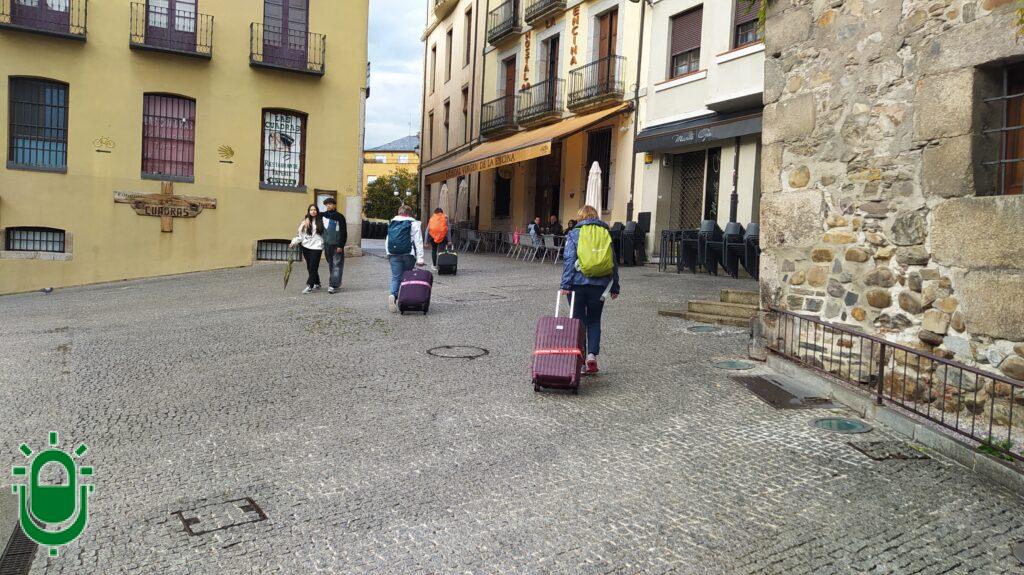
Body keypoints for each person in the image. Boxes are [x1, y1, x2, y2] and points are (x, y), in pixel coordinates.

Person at [560, 205, 620, 375]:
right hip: (600, 286)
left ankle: (580, 360)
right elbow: (613, 261)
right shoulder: (605, 232)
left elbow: (569, 259)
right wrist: (615, 286)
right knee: (594, 320)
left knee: (578, 322)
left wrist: (565, 284)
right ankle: (592, 356)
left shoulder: (574, 233)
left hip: (577, 284)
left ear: (580, 217)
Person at [386, 204, 425, 313]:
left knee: (396, 277)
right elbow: (418, 241)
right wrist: (420, 258)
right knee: (406, 277)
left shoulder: (393, 222)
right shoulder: (414, 223)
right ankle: (403, 300)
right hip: (409, 254)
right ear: (410, 213)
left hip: (393, 254)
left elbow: (388, 240)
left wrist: (388, 253)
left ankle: (393, 295)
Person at [290, 204, 324, 294]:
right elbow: (300, 235)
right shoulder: (304, 222)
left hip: (317, 247)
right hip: (306, 247)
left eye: (315, 210)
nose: (313, 211)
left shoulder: (322, 221)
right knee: (310, 267)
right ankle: (317, 282)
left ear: (317, 211)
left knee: (313, 266)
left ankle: (310, 285)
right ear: (309, 211)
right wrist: (293, 242)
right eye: (311, 210)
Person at [320, 197, 347, 294]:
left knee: (336, 265)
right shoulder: (323, 215)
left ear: (334, 205)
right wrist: (306, 219)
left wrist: (341, 245)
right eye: (326, 204)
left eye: (330, 204)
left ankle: (332, 285)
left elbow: (343, 232)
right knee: (331, 264)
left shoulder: (340, 217)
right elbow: (312, 215)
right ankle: (336, 282)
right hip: (327, 245)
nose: (328, 205)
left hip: (337, 245)